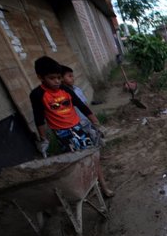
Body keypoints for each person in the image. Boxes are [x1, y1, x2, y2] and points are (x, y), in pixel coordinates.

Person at [30, 56, 114, 197]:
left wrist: (97, 124)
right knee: (77, 163)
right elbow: (38, 118)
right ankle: (87, 187)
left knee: (93, 157)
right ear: (40, 77)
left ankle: (104, 187)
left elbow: (81, 106)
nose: (57, 81)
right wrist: (43, 139)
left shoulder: (65, 89)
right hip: (63, 135)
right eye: (52, 78)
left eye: (58, 77)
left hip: (78, 128)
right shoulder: (37, 94)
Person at [61, 65, 103, 147]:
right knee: (85, 139)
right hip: (77, 122)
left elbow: (85, 104)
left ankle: (98, 153)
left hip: (85, 118)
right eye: (69, 76)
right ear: (61, 78)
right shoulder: (64, 94)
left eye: (72, 76)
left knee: (95, 135)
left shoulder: (77, 89)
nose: (72, 78)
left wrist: (91, 117)